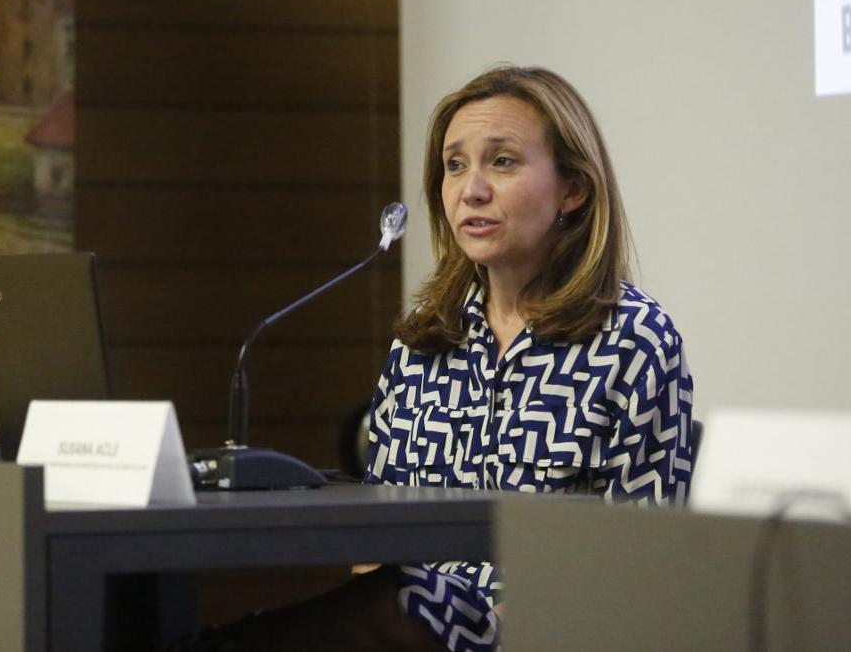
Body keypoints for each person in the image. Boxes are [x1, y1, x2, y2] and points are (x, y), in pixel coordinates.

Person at [180, 66, 693, 651]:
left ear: (572, 188)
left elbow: (639, 556)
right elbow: (374, 540)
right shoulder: (424, 338)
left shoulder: (634, 338)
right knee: (394, 601)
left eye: (502, 162)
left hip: (548, 630)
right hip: (404, 625)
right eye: (454, 165)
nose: (471, 189)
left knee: (403, 605)